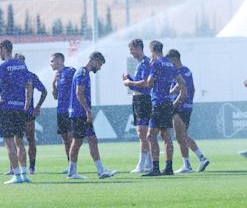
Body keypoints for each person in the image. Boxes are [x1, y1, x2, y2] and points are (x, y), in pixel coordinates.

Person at [67, 51, 116, 179]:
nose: (99, 67)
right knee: (77, 142)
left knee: (93, 140)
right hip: (79, 113)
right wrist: (88, 110)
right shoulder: (82, 73)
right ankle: (71, 172)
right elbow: (79, 93)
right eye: (100, 64)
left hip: (82, 113)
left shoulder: (85, 73)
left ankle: (101, 171)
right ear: (94, 60)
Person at [142, 41, 187, 177]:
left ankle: (155, 167)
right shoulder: (170, 64)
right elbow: (182, 83)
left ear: (152, 50)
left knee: (151, 135)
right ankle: (169, 167)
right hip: (167, 102)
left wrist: (151, 74)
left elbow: (149, 82)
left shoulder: (156, 63)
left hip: (158, 101)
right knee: (165, 135)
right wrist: (178, 96)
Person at [0, 40, 33, 184]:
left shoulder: (3, 66)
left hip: (7, 109)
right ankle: (24, 174)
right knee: (20, 142)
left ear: (4, 49)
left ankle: (16, 175)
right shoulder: (22, 65)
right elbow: (29, 84)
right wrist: (27, 102)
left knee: (9, 143)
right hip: (20, 108)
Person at [166, 49, 210, 173]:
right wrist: (189, 103)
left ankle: (195, 161)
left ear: (174, 58)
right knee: (182, 135)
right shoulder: (187, 71)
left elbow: (181, 87)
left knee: (181, 136)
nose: (169, 64)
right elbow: (193, 89)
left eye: (169, 61)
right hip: (186, 106)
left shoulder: (179, 72)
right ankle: (192, 162)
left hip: (178, 106)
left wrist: (174, 102)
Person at [122, 39, 153, 173]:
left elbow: (146, 83)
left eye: (132, 50)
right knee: (142, 134)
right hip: (137, 99)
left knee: (142, 133)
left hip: (143, 99)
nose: (131, 53)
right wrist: (129, 80)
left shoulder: (146, 62)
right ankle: (149, 164)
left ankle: (141, 165)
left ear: (139, 48)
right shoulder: (139, 63)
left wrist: (130, 82)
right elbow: (139, 82)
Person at [15, 53, 47, 174]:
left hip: (28, 113)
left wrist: (38, 106)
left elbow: (44, 91)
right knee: (16, 141)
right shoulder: (12, 76)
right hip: (15, 112)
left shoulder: (31, 76)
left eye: (22, 61)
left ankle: (32, 167)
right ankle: (14, 167)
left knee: (30, 139)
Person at [50, 52, 75, 173]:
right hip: (60, 110)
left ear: (59, 60)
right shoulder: (57, 75)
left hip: (69, 110)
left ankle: (73, 165)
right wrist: (53, 84)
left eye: (52, 61)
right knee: (65, 139)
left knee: (71, 138)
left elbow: (78, 86)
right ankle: (69, 163)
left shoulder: (70, 71)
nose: (51, 64)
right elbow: (55, 96)